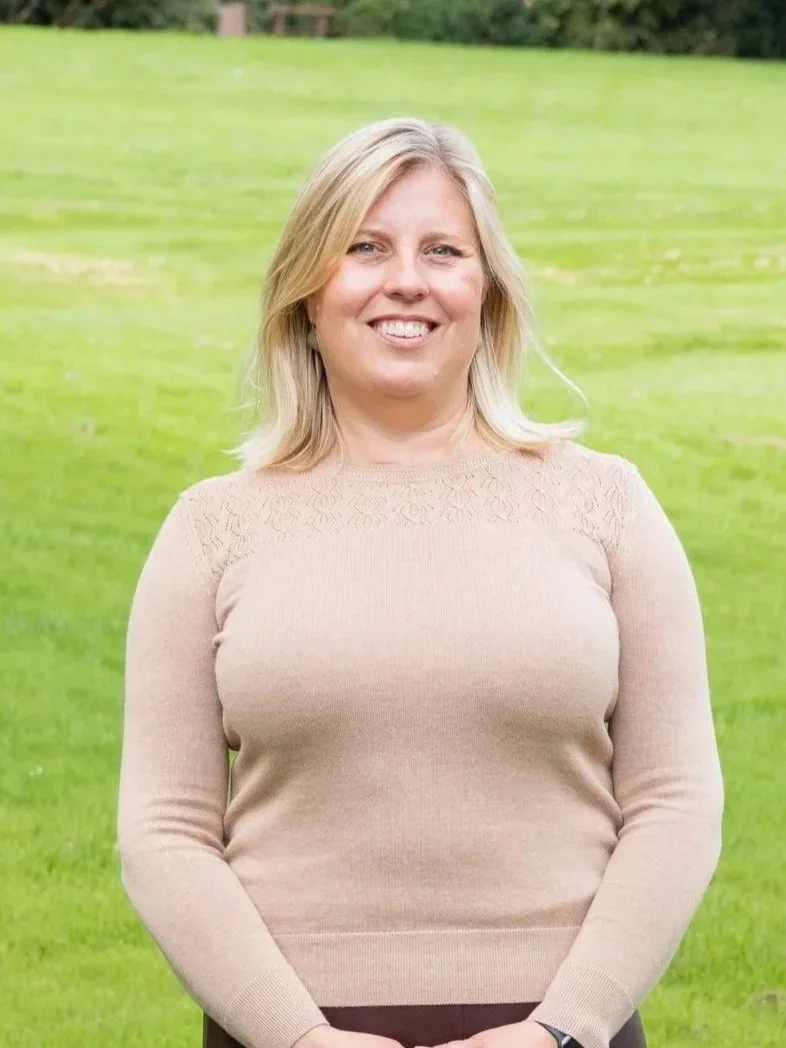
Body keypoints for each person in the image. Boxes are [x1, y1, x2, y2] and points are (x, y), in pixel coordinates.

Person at [117, 116, 725, 1048]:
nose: (407, 278)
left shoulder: (608, 507)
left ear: (487, 294)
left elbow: (676, 801)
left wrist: (566, 1029)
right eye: (364, 248)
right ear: (306, 297)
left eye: (443, 250)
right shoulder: (211, 531)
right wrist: (298, 1038)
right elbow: (163, 832)